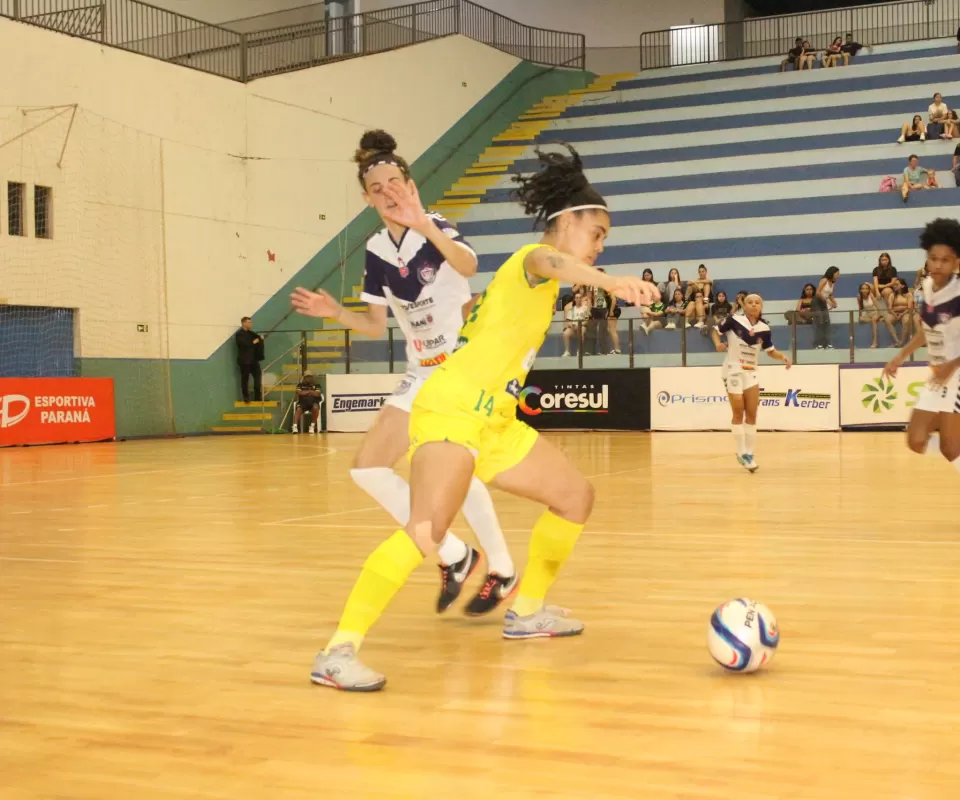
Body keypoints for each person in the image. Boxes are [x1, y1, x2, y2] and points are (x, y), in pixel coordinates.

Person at [302, 142, 657, 690]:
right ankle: (337, 652)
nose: (600, 245)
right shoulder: (531, 260)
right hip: (453, 406)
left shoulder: (544, 278)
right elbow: (549, 261)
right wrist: (610, 281)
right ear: (567, 223)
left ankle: (526, 612)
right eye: (597, 233)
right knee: (427, 529)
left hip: (494, 419)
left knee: (575, 497)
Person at [291, 130, 526, 690]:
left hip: (462, 369)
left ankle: (496, 565)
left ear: (410, 184)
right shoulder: (376, 251)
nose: (388, 192)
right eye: (377, 188)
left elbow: (468, 265)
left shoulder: (435, 225)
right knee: (368, 468)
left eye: (395, 182)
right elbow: (375, 325)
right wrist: (334, 312)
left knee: (456, 468)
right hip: (421, 372)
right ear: (367, 198)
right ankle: (459, 554)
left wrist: (424, 224)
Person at [884, 218, 960, 529]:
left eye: (945, 260)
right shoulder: (926, 287)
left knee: (951, 446)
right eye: (933, 258)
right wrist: (900, 356)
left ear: (957, 262)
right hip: (939, 374)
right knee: (915, 440)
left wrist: (953, 364)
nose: (938, 265)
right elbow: (926, 331)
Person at [711, 293, 792, 472]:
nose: (754, 305)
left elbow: (770, 350)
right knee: (738, 410)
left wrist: (782, 357)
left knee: (752, 413)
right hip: (732, 370)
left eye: (757, 303)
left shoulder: (764, 328)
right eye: (750, 302)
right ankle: (741, 452)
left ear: (761, 307)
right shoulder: (734, 320)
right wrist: (717, 344)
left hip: (751, 372)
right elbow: (715, 331)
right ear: (744, 305)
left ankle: (749, 453)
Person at [234, 316, 264, 403]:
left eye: (251, 322)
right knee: (245, 379)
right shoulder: (239, 334)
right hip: (245, 361)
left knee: (258, 378)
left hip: (254, 360)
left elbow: (258, 340)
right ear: (244, 323)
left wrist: (260, 339)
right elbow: (244, 344)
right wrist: (254, 342)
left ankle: (257, 397)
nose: (251, 324)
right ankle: (246, 397)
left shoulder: (251, 334)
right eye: (249, 322)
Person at [813, 266, 839, 349]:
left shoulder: (833, 283)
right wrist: (827, 301)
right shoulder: (824, 280)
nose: (838, 276)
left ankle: (828, 343)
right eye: (837, 274)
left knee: (827, 322)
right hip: (817, 302)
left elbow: (830, 295)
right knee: (820, 321)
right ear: (832, 273)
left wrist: (834, 302)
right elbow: (818, 292)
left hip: (824, 302)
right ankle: (818, 344)